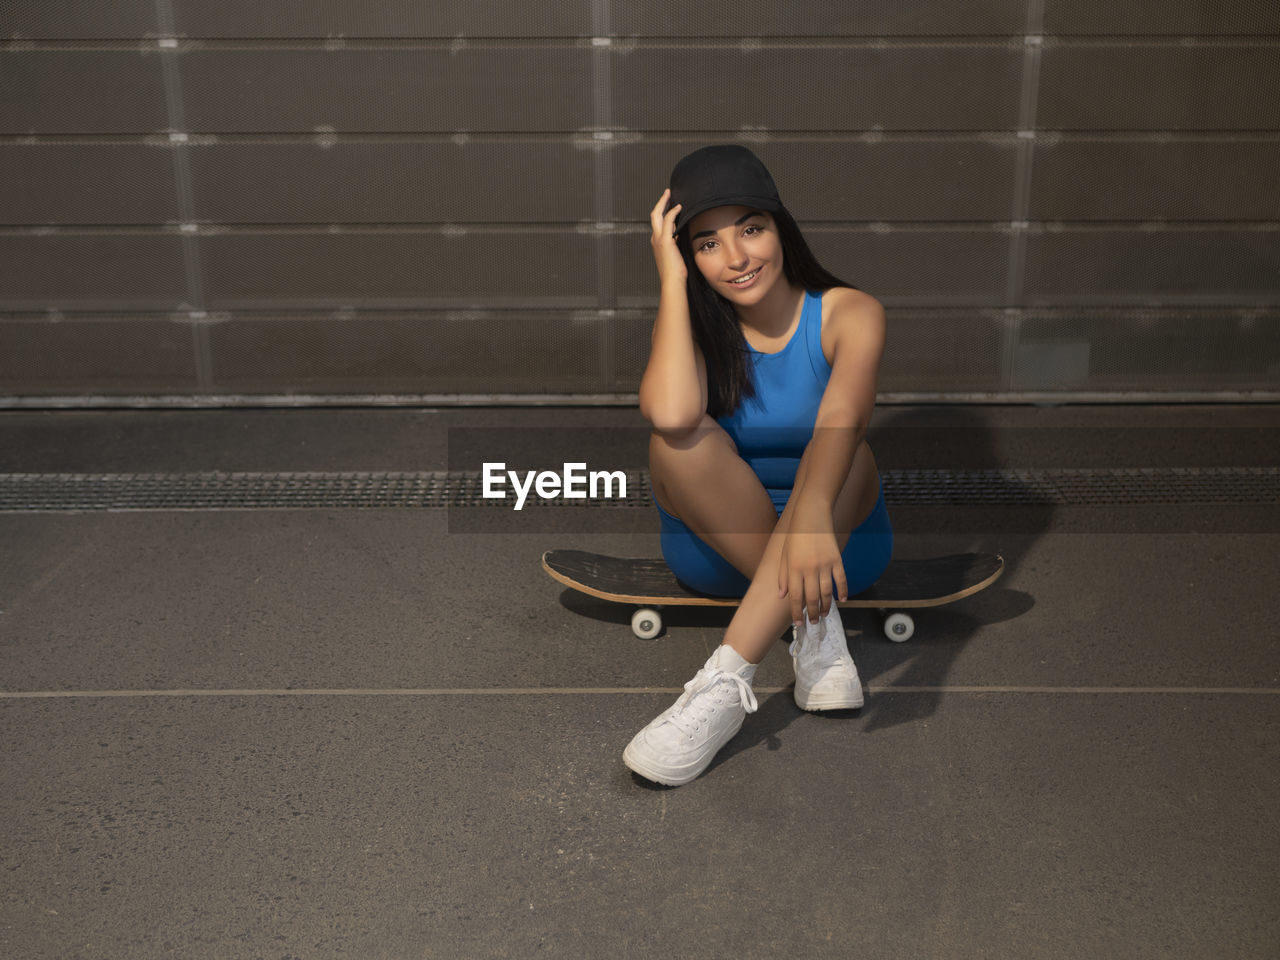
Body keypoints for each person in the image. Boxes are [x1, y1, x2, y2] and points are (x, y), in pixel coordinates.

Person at [624, 144, 893, 785]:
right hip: (720, 554)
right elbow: (669, 414)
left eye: (751, 228)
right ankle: (817, 628)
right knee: (676, 442)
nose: (737, 258)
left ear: (781, 227)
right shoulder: (691, 323)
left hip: (835, 544)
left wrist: (810, 526)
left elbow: (841, 424)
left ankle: (723, 686)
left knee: (847, 451)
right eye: (707, 243)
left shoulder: (850, 313)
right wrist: (669, 281)